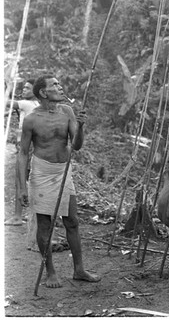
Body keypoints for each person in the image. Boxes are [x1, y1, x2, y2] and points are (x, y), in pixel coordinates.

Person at [18, 74, 100, 288]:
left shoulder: (67, 112)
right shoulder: (32, 119)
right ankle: (50, 272)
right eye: (55, 85)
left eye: (59, 83)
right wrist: (21, 186)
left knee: (72, 220)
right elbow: (23, 153)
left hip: (63, 171)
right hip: (42, 173)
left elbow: (77, 146)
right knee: (45, 224)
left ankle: (79, 269)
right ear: (44, 93)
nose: (61, 87)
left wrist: (80, 127)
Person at [5, 79, 39, 226]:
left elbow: (6, 102)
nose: (24, 90)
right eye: (23, 87)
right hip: (34, 145)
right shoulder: (37, 105)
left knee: (19, 180)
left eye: (27, 88)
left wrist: (7, 88)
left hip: (25, 145)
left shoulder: (26, 104)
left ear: (34, 91)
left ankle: (18, 216)